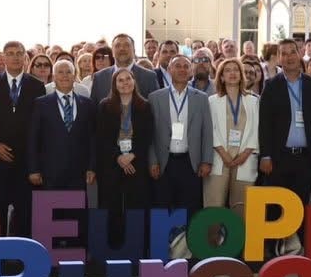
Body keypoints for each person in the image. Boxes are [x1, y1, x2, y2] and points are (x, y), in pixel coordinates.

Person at [258, 39, 311, 251]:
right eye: (284, 53)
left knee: (301, 204)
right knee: (276, 205)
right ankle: (273, 249)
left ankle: (298, 249)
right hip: (278, 157)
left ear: (300, 55)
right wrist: (265, 155)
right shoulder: (271, 85)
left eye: (292, 52)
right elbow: (265, 124)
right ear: (279, 58)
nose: (288, 57)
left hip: (305, 157)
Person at [0, 41, 45, 236]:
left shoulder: (37, 86)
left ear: (25, 57)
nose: (15, 57)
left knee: (25, 211)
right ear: (3, 57)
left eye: (19, 53)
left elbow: (39, 125)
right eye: (10, 53)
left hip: (25, 161)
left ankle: (22, 249)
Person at [148, 56, 213, 216]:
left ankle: (186, 234)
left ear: (191, 71)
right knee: (162, 208)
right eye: (177, 66)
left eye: (186, 66)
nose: (182, 69)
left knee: (189, 208)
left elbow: (207, 131)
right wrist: (153, 160)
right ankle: (163, 234)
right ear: (169, 70)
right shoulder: (155, 97)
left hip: (190, 162)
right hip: (164, 162)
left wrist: (206, 160)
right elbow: (150, 133)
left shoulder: (201, 98)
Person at [96, 69, 154, 242]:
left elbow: (148, 135)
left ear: (134, 81)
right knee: (111, 204)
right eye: (120, 80)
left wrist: (132, 154)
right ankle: (113, 243)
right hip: (112, 162)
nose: (125, 83)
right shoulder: (105, 106)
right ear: (114, 85)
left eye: (128, 79)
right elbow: (101, 137)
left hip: (136, 162)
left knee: (136, 204)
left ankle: (136, 243)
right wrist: (119, 157)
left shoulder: (145, 106)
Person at [28, 58, 97, 191]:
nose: (65, 75)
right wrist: (33, 169)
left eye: (68, 72)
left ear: (74, 76)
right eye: (60, 72)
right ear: (54, 77)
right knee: (50, 205)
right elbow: (33, 138)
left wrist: (92, 167)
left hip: (78, 173)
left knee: (75, 205)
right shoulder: (41, 104)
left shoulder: (87, 104)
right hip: (49, 173)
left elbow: (92, 138)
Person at [205, 58, 259, 215]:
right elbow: (211, 130)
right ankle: (214, 233)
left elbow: (256, 130)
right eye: (227, 70)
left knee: (241, 207)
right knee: (214, 205)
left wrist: (244, 155)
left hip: (245, 158)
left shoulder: (253, 101)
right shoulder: (212, 101)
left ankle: (239, 233)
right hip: (219, 157)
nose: (232, 73)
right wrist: (224, 155)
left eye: (236, 70)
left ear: (241, 75)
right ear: (221, 77)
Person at [91, 33, 159, 101]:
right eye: (117, 46)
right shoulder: (99, 78)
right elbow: (94, 106)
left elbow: (155, 105)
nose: (122, 49)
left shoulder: (149, 77)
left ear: (134, 50)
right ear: (112, 52)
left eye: (126, 45)